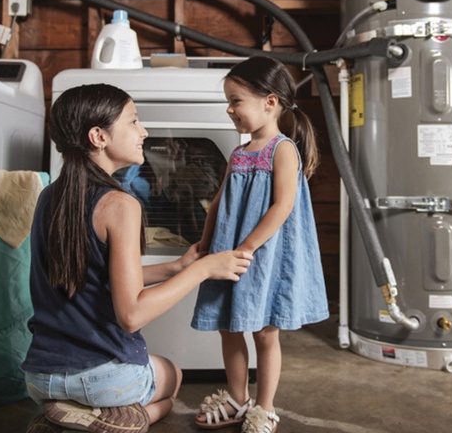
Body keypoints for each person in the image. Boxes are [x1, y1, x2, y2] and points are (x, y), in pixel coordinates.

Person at [22, 83, 252, 433]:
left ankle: (65, 415)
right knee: (172, 383)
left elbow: (93, 278)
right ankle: (104, 422)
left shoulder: (50, 196)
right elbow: (131, 315)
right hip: (103, 379)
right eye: (133, 121)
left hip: (40, 377)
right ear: (99, 136)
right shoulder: (120, 205)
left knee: (145, 383)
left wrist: (176, 267)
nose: (143, 131)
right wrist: (204, 269)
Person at [191, 57, 330, 433]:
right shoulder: (238, 153)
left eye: (236, 100)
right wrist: (204, 246)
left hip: (261, 255)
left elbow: (283, 206)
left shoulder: (282, 149)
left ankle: (264, 408)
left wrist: (248, 247)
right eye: (229, 101)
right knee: (230, 327)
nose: (229, 108)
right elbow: (218, 203)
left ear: (269, 102)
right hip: (228, 253)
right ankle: (238, 399)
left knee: (265, 331)